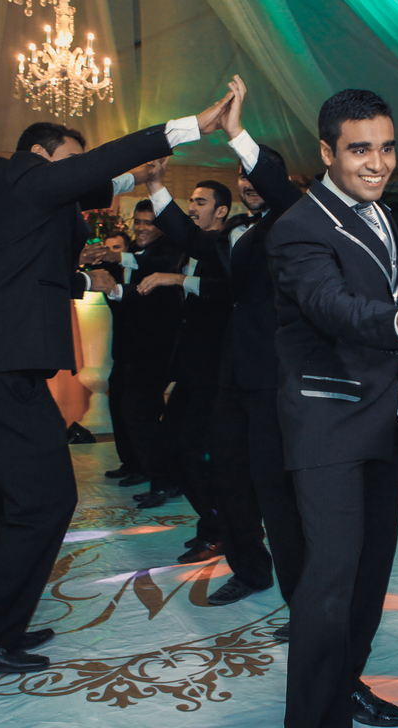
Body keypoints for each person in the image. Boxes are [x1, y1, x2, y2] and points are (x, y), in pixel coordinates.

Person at [0, 95, 234, 674]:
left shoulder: (19, 192)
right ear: (39, 154)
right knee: (43, 499)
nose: (77, 175)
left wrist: (144, 177)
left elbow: (98, 180)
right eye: (70, 162)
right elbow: (101, 165)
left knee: (23, 498)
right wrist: (187, 128)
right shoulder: (24, 179)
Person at [267, 88, 398, 728]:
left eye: (387, 148)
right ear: (328, 151)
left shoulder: (379, 215)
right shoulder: (298, 228)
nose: (377, 163)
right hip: (327, 425)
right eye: (360, 149)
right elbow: (333, 307)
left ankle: (345, 687)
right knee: (328, 587)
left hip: (381, 417)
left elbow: (369, 314)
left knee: (366, 582)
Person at [148, 75, 307, 607]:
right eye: (242, 174)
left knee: (276, 488)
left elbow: (279, 194)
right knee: (230, 478)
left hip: (275, 375)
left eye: (256, 172)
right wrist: (154, 187)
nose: (248, 182)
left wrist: (241, 137)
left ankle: (302, 595)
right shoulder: (237, 229)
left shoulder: (292, 219)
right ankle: (250, 569)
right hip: (232, 373)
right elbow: (194, 238)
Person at [128, 185, 232, 514]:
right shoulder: (190, 249)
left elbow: (228, 292)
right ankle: (211, 521)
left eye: (200, 202)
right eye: (190, 200)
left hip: (216, 368)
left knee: (195, 450)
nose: (191, 207)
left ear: (221, 211)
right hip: (190, 366)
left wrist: (175, 280)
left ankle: (216, 525)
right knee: (172, 445)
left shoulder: (226, 247)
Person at [100, 206, 184, 491]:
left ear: (160, 226)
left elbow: (155, 268)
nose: (142, 227)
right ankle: (136, 465)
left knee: (139, 412)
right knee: (122, 407)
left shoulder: (169, 249)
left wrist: (119, 263)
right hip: (127, 347)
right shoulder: (134, 252)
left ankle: (163, 477)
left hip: (154, 350)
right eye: (138, 222)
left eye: (148, 222)